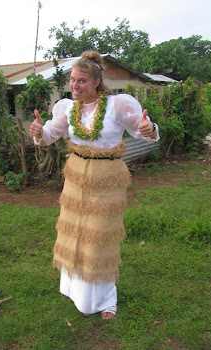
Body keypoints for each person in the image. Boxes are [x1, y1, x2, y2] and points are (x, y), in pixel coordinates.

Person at [30, 51, 159, 320]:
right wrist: (39, 133)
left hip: (107, 178)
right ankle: (76, 291)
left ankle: (105, 299)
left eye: (82, 81)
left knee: (100, 237)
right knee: (74, 233)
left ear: (96, 82)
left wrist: (149, 128)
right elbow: (51, 135)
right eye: (73, 80)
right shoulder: (68, 108)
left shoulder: (118, 105)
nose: (75, 86)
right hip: (76, 178)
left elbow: (142, 130)